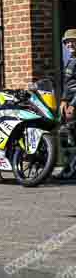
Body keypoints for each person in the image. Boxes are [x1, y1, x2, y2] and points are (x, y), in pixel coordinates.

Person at [56, 30, 76, 179]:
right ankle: (69, 168)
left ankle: (71, 170)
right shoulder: (71, 59)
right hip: (70, 102)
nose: (70, 44)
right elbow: (68, 84)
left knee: (69, 135)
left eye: (73, 41)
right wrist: (63, 100)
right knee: (68, 137)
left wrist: (73, 105)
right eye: (67, 42)